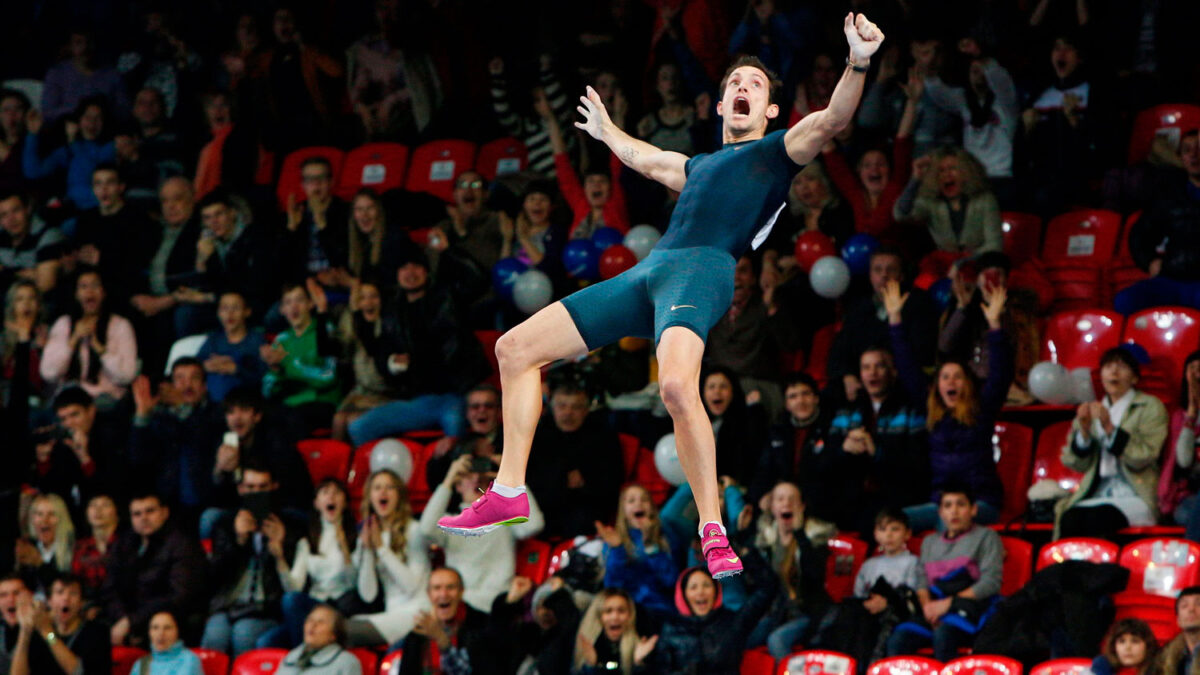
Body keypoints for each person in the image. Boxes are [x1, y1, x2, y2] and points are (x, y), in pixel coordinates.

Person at [437, 17, 885, 583]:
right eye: (734, 84)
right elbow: (647, 159)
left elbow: (834, 119)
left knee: (676, 386)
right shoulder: (698, 166)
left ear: (771, 109)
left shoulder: (775, 151)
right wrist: (606, 131)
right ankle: (507, 491)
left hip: (702, 272)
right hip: (650, 274)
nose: (742, 88)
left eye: (755, 84)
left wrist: (859, 62)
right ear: (720, 106)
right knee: (514, 348)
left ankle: (712, 529)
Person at [886, 279, 1012, 532]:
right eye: (945, 377)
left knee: (949, 522)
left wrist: (995, 325)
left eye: (957, 377)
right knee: (890, 524)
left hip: (979, 503)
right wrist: (895, 320)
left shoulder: (981, 410)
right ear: (937, 386)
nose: (951, 382)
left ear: (967, 384)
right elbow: (908, 367)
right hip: (941, 503)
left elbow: (1000, 374)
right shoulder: (931, 411)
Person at [345, 250, 489, 446]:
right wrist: (392, 363)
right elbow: (381, 355)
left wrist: (448, 251)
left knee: (454, 427)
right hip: (417, 398)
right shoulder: (392, 311)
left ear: (427, 272)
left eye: (416, 266)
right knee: (358, 428)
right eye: (404, 267)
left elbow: (479, 281)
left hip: (453, 393)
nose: (410, 272)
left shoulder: (447, 297)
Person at [1056, 346, 1167, 539]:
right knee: (1069, 519)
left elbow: (1145, 456)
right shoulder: (1092, 409)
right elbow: (1076, 464)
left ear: (1134, 377)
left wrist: (1109, 427)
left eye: (1122, 366)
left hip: (1136, 493)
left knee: (1098, 520)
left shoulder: (1150, 406)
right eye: (1108, 366)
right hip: (1097, 492)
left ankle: (1103, 569)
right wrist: (1083, 431)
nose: (1114, 371)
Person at [885, 487, 1004, 661]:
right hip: (934, 607)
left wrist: (949, 604)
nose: (954, 511)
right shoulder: (929, 542)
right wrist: (928, 607)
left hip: (970, 607)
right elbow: (922, 579)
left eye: (961, 505)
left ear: (973, 509)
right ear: (940, 512)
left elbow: (991, 582)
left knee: (944, 635)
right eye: (947, 506)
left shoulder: (987, 537)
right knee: (898, 639)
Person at [419, 454, 544, 614]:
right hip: (462, 606)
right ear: (458, 486)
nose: (476, 479)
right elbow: (426, 529)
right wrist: (449, 478)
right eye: (469, 475)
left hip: (500, 604)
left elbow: (534, 525)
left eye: (481, 475)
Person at [202, 462, 301, 657]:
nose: (256, 493)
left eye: (262, 487)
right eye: (250, 487)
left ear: (274, 486)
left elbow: (294, 585)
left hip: (265, 609)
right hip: (228, 606)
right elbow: (213, 578)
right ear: (240, 489)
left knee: (244, 633)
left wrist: (282, 546)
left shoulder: (290, 526)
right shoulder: (224, 524)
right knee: (215, 634)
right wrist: (239, 541)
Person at [815, 508, 921, 673]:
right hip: (867, 612)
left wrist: (887, 602)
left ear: (907, 534)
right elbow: (859, 593)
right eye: (883, 529)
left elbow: (911, 593)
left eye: (895, 529)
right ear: (876, 534)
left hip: (894, 612)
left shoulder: (913, 562)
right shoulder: (869, 565)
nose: (889, 535)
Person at [264, 479, 362, 649]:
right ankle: (305, 654)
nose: (331, 496)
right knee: (266, 642)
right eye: (325, 492)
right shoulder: (307, 542)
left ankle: (305, 658)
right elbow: (294, 588)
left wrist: (345, 549)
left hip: (341, 608)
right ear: (317, 503)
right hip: (313, 608)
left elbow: (353, 583)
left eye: (336, 493)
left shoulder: (357, 538)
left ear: (344, 503)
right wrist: (280, 559)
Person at [101, 491, 207, 647]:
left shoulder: (182, 544)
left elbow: (179, 596)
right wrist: (123, 620)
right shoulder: (123, 544)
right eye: (137, 514)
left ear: (164, 513)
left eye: (150, 511)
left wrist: (132, 622)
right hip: (126, 620)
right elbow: (109, 588)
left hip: (168, 620)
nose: (143, 518)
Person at [653, 546, 779, 674]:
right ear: (683, 595)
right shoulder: (671, 629)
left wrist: (746, 551)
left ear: (716, 591)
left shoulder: (732, 623)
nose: (700, 592)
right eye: (693, 587)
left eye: (706, 585)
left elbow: (767, 589)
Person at [523, 382, 625, 539]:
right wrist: (563, 482)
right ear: (552, 409)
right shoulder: (537, 438)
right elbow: (530, 483)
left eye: (576, 407)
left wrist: (585, 481)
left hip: (589, 513)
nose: (568, 413)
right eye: (562, 406)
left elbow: (613, 480)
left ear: (585, 411)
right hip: (546, 512)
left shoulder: (603, 438)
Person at [745, 481, 833, 659]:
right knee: (739, 636)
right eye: (780, 499)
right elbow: (755, 577)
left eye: (793, 500)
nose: (786, 504)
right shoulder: (765, 539)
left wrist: (800, 534)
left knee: (776, 641)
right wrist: (743, 533)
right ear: (772, 507)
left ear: (802, 507)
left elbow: (814, 577)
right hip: (776, 611)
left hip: (807, 612)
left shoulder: (815, 538)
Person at [128, 358, 226, 519]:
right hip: (168, 504)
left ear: (204, 386)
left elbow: (202, 440)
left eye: (194, 378)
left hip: (208, 501)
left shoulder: (218, 413)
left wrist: (182, 407)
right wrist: (142, 415)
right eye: (180, 378)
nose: (187, 385)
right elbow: (138, 460)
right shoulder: (160, 417)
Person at [348, 470, 428, 647]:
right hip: (391, 613)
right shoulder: (369, 534)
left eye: (389, 487)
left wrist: (381, 549)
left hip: (417, 611)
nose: (383, 492)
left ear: (399, 495)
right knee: (336, 626)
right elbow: (368, 595)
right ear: (370, 496)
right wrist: (368, 549)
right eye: (377, 488)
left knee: (343, 631)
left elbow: (411, 586)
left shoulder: (414, 530)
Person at [40, 268, 137, 405]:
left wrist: (99, 348)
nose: (89, 291)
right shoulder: (63, 324)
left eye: (95, 285)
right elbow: (49, 373)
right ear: (76, 294)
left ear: (103, 292)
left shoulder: (121, 325)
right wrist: (73, 340)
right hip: (69, 397)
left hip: (106, 398)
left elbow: (127, 375)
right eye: (83, 287)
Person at [893, 145, 1002, 256]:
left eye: (953, 168)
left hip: (981, 264)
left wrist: (963, 262)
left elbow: (995, 244)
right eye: (941, 170)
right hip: (946, 267)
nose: (947, 175)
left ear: (967, 172)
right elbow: (902, 215)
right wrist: (915, 179)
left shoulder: (985, 200)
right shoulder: (931, 203)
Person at [72, 163, 155, 307]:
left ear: (121, 187)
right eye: (98, 184)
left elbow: (138, 262)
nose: (103, 189)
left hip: (123, 287)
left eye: (110, 182)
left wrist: (102, 259)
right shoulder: (86, 219)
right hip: (91, 286)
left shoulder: (138, 218)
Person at [261, 282, 339, 434]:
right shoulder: (281, 340)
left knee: (292, 420)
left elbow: (329, 376)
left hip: (321, 402)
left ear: (310, 304)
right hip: (290, 403)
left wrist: (288, 364)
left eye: (299, 300)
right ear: (282, 310)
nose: (294, 307)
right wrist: (275, 369)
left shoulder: (325, 330)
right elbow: (267, 391)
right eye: (288, 302)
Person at [34, 386, 126, 509]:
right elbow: (51, 493)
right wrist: (44, 461)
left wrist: (84, 458)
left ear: (91, 411)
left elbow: (111, 489)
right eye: (63, 419)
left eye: (75, 415)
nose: (69, 423)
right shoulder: (60, 443)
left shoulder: (112, 437)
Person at [595, 484, 677, 621]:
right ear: (623, 511)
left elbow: (670, 581)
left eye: (644, 500)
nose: (638, 503)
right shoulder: (614, 540)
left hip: (662, 611)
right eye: (631, 500)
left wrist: (651, 545)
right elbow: (613, 587)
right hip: (627, 615)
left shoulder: (666, 537)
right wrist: (618, 549)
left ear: (651, 507)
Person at [193, 188, 275, 323]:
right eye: (207, 218)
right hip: (224, 303)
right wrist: (202, 262)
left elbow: (249, 285)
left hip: (254, 302)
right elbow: (209, 285)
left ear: (232, 213)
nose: (214, 222)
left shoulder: (254, 237)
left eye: (218, 214)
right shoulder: (209, 243)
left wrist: (206, 297)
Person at [748, 373, 828, 507]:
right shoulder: (778, 432)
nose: (800, 401)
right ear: (787, 404)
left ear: (816, 398)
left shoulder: (830, 428)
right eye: (793, 396)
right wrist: (760, 497)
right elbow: (764, 471)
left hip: (819, 502)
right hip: (783, 501)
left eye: (806, 394)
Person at [22, 98, 116, 210]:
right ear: (79, 121)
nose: (92, 122)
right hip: (71, 212)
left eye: (98, 118)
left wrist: (73, 142)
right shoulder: (67, 149)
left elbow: (87, 173)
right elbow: (33, 172)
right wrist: (32, 134)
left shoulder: (109, 148)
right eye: (87, 117)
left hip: (99, 209)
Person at [396, 567, 493, 675]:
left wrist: (441, 638)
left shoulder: (483, 625)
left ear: (461, 592)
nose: (443, 594)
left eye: (450, 587)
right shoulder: (417, 635)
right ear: (429, 594)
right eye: (437, 588)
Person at [9, 573, 111, 675]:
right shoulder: (37, 633)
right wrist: (25, 631)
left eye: (73, 593)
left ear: (81, 603)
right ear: (49, 601)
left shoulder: (97, 632)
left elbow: (78, 672)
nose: (66, 598)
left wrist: (47, 632)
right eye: (60, 592)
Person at [279, 157, 350, 287]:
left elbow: (344, 258)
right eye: (310, 180)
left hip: (340, 283)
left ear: (331, 182)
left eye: (321, 178)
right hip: (305, 285)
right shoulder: (296, 212)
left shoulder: (345, 211)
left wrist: (323, 227)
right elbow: (282, 265)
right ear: (303, 185)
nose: (316, 184)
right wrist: (291, 229)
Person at [195, 291, 267, 403]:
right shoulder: (213, 339)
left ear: (247, 312)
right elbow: (195, 365)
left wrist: (235, 369)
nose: (230, 313)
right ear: (218, 313)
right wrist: (206, 366)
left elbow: (264, 377)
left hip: (246, 402)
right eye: (225, 308)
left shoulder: (256, 340)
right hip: (213, 403)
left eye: (236, 308)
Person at [1159, 351, 1200, 538]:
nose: (1198, 376)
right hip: (1189, 496)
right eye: (1192, 370)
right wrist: (1191, 416)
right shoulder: (1180, 417)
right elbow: (1183, 461)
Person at [571, 588, 657, 674]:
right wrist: (591, 667)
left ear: (630, 615)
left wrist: (638, 664)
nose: (615, 617)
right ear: (599, 617)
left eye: (621, 611)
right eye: (608, 611)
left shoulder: (641, 645)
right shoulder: (588, 646)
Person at [0, 191, 65, 296]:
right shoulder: (2, 233)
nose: (11, 219)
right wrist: (26, 275)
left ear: (28, 209)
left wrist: (5, 272)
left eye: (16, 210)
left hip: (40, 307)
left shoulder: (48, 235)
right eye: (3, 215)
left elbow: (45, 285)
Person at [13, 494, 74, 598]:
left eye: (51, 514)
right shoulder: (28, 546)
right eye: (39, 514)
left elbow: (64, 587)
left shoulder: (73, 547)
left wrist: (39, 563)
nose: (44, 520)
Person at [277, 605, 362, 675]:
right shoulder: (291, 657)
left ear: (333, 635)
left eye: (321, 622)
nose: (312, 625)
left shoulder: (346, 662)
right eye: (310, 620)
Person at [71, 493, 118, 600]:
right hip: (88, 603)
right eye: (93, 505)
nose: (98, 510)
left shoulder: (126, 543)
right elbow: (76, 581)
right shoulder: (81, 546)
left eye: (105, 505)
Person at [129, 611, 204, 675]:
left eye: (167, 628)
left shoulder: (189, 660)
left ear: (177, 632)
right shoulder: (141, 664)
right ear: (149, 632)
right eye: (155, 628)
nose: (161, 633)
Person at [1156, 586, 1200, 675]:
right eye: (1184, 606)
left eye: (1199, 604)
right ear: (1178, 619)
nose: (1191, 610)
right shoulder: (1167, 657)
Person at [1090, 618, 1157, 675]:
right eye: (1122, 641)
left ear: (1147, 646)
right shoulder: (1101, 667)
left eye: (1135, 641)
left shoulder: (1158, 670)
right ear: (1113, 646)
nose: (1127, 647)